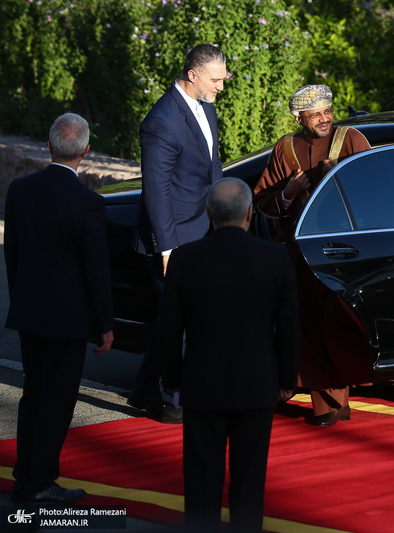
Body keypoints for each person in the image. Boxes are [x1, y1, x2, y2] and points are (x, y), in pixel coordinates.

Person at [157, 178, 299, 532]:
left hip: (202, 384)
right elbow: (289, 327)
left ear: (208, 213)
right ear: (251, 213)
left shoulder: (185, 258)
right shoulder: (276, 258)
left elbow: (170, 329)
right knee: (249, 480)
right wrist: (286, 380)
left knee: (202, 479)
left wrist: (171, 378)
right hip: (257, 384)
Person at [5, 113, 114, 504]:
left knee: (33, 395)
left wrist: (20, 299)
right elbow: (96, 272)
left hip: (30, 312)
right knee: (57, 401)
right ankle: (40, 481)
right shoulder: (88, 203)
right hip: (68, 320)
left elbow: (12, 256)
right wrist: (104, 324)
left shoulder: (20, 190)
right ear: (85, 151)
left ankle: (25, 475)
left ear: (49, 146)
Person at [253, 84, 371, 427]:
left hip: (342, 251)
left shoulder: (351, 139)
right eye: (315, 114)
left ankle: (333, 403)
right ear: (298, 117)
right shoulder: (285, 148)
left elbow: (373, 190)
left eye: (327, 112)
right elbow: (264, 200)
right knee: (304, 324)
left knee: (337, 323)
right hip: (298, 252)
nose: (324, 119)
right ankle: (329, 405)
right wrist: (287, 194)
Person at [129, 43, 227, 422]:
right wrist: (168, 249)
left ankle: (143, 390)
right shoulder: (161, 121)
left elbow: (212, 167)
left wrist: (221, 220)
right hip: (173, 239)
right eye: (216, 79)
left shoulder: (207, 107)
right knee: (182, 319)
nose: (222, 85)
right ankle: (173, 400)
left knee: (171, 317)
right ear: (193, 75)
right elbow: (157, 190)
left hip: (203, 229)